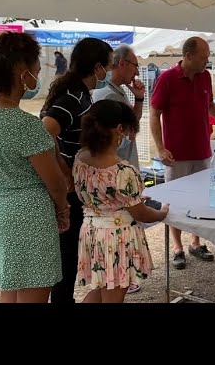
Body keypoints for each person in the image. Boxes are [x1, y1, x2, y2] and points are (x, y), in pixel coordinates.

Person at [0, 31, 70, 303]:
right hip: (30, 215)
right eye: (37, 71)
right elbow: (55, 182)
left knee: (11, 289)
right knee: (33, 291)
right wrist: (63, 209)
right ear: (23, 74)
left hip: (1, 210)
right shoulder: (24, 124)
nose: (38, 78)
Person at [150, 36, 215, 270]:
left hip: (202, 151)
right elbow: (154, 114)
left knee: (204, 197)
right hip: (176, 155)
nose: (207, 60)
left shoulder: (205, 76)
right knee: (173, 202)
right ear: (188, 56)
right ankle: (177, 247)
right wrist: (161, 148)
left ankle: (196, 242)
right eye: (204, 56)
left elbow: (209, 104)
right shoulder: (167, 79)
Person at [41, 37, 114, 303]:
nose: (110, 71)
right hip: (68, 190)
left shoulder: (82, 95)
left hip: (77, 188)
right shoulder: (72, 97)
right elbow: (45, 131)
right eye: (109, 64)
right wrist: (62, 167)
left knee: (70, 253)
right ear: (97, 67)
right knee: (66, 254)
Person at [74, 100, 169, 303]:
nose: (127, 137)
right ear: (118, 130)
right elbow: (141, 213)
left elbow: (100, 194)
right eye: (126, 132)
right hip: (116, 238)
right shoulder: (123, 171)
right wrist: (162, 212)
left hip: (92, 231)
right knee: (114, 295)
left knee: (100, 291)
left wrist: (130, 199)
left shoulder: (80, 158)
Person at [92, 44, 145, 170]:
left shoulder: (116, 90)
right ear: (122, 64)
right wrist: (131, 131)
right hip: (118, 171)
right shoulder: (109, 95)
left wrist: (139, 98)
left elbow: (133, 121)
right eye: (135, 66)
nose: (137, 72)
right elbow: (122, 138)